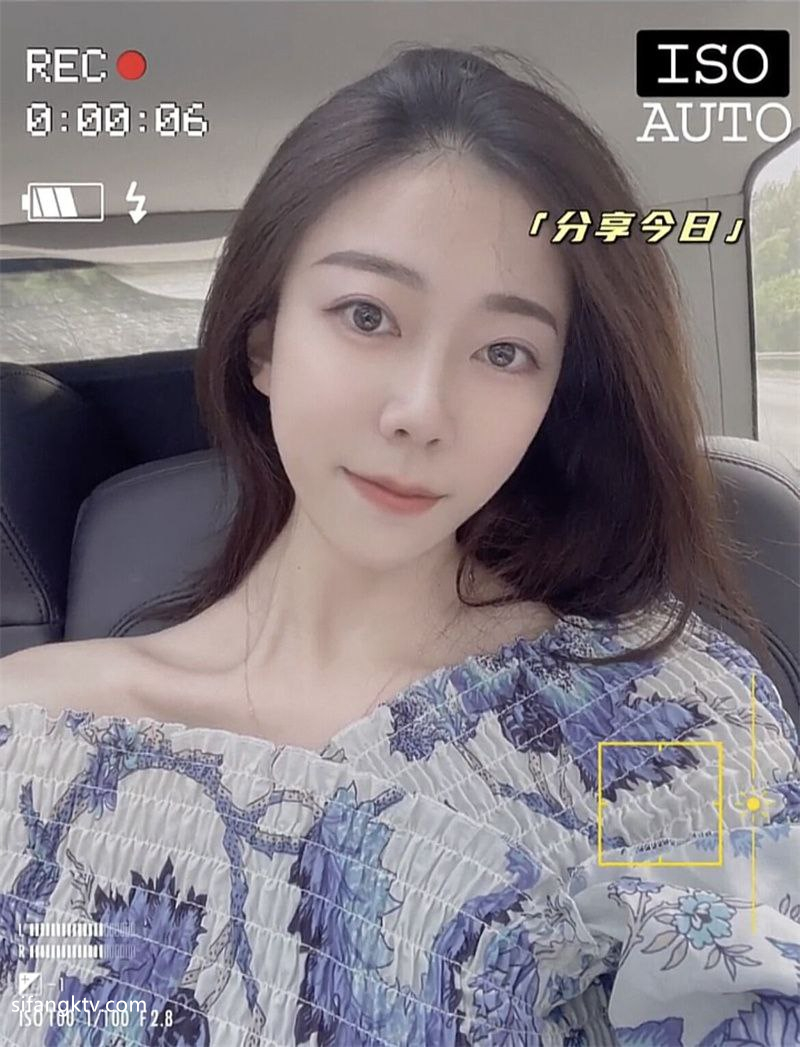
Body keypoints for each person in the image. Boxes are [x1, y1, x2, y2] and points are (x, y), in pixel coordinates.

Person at [1, 44, 798, 1045]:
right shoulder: (26, 735)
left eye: (504, 351)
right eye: (367, 314)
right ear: (264, 344)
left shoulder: (662, 718)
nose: (421, 410)